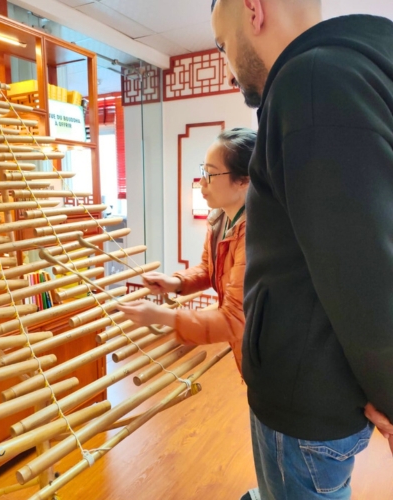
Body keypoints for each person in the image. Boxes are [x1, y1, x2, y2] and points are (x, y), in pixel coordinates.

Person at [211, 1, 393, 499]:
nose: (227, 67)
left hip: (306, 400)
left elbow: (362, 269)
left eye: (223, 45)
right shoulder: (347, 74)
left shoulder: (312, 83)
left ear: (253, 10)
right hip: (315, 386)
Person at [117, 127, 256, 377]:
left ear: (243, 180)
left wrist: (162, 316)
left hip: (267, 353)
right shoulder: (220, 219)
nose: (202, 183)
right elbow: (210, 268)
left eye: (211, 174)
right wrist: (176, 282)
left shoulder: (254, 234)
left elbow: (234, 321)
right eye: (203, 171)